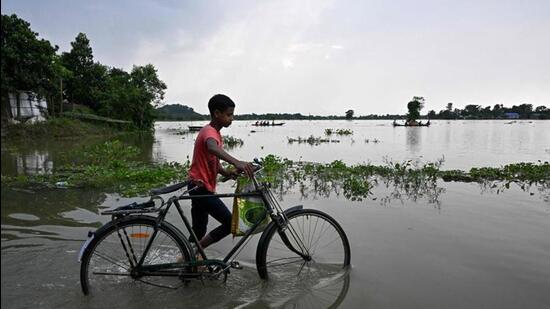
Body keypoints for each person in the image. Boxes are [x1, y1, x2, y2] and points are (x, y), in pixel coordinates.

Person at [187, 94, 255, 253]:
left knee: (198, 230)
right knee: (230, 223)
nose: (232, 118)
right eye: (229, 114)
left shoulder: (214, 132)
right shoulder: (210, 132)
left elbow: (211, 160)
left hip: (197, 186)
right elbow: (212, 148)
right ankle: (192, 255)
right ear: (217, 113)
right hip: (200, 188)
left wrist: (226, 172)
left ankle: (188, 258)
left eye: (232, 115)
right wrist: (237, 162)